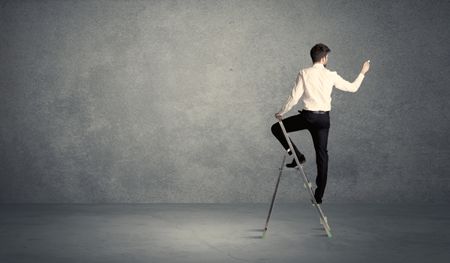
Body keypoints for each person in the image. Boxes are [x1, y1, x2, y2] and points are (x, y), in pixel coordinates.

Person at [271, 43, 370, 204]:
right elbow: (353, 88)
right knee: (322, 155)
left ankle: (297, 155)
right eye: (327, 57)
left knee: (276, 128)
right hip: (323, 119)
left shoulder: (304, 73)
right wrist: (363, 72)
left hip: (308, 117)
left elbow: (294, 98)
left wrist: (281, 112)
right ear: (324, 58)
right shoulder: (331, 75)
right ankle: (319, 196)